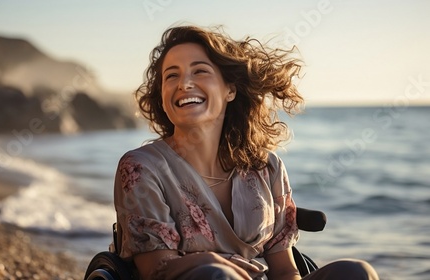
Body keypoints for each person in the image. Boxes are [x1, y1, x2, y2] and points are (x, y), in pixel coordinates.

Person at [113, 25, 379, 280]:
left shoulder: (266, 168)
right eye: (171, 75)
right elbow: (153, 272)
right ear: (162, 95)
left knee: (356, 272)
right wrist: (204, 262)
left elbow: (285, 272)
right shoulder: (141, 167)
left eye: (200, 71)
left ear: (230, 90)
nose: (184, 83)